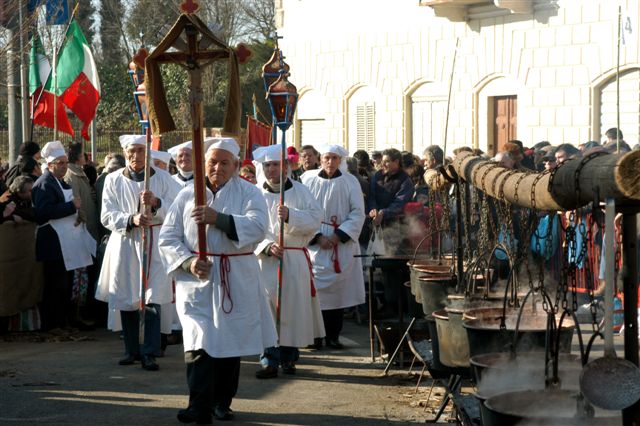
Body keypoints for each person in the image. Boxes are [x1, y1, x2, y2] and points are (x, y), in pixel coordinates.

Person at [158, 137, 277, 423]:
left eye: (225, 163)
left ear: (236, 166)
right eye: (212, 162)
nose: (218, 167)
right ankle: (198, 406)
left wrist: (219, 219)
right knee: (198, 344)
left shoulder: (250, 193)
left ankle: (222, 402)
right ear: (204, 164)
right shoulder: (187, 194)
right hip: (197, 280)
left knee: (228, 345)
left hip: (235, 278)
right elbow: (169, 236)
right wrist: (187, 262)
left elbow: (259, 227)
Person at [96, 134, 179, 371]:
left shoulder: (163, 179)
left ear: (148, 153)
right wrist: (131, 218)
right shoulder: (113, 180)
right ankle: (131, 349)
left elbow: (177, 211)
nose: (136, 156)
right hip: (125, 242)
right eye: (131, 152)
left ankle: (150, 351)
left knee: (151, 297)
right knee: (127, 294)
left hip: (154, 240)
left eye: (141, 151)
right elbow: (106, 215)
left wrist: (156, 203)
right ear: (125, 153)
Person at [253, 144, 325, 379]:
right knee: (267, 308)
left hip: (293, 257)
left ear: (285, 167)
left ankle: (289, 357)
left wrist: (291, 216)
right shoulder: (255, 194)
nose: (272, 169)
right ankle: (269, 359)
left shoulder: (301, 192)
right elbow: (248, 226)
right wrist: (265, 245)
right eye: (268, 165)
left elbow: (316, 219)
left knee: (291, 309)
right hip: (265, 261)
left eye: (276, 164)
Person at [301, 144, 366, 349]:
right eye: (327, 158)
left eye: (334, 158)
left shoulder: (350, 181)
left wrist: (338, 236)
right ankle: (313, 336)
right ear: (320, 159)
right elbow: (300, 210)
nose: (330, 162)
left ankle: (333, 336)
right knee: (314, 293)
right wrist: (318, 236)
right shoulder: (307, 179)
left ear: (341, 160)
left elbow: (357, 213)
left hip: (341, 244)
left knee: (338, 294)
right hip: (315, 244)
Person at [32, 141, 95, 331]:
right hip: (53, 243)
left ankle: (65, 320)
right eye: (60, 163)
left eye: (65, 162)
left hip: (66, 243)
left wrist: (78, 214)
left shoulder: (60, 182)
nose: (64, 166)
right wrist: (70, 207)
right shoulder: (43, 184)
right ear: (50, 165)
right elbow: (43, 212)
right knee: (54, 285)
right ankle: (53, 323)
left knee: (66, 284)